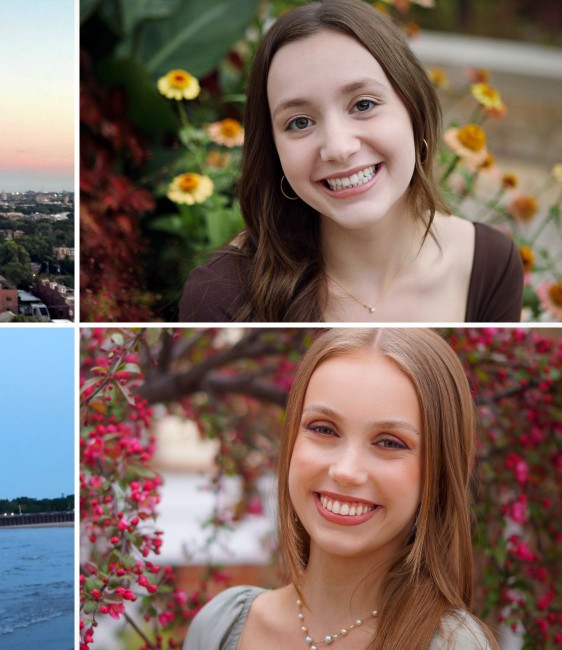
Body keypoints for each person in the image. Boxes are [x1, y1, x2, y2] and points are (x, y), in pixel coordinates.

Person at [179, 0, 522, 322]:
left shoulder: (491, 264)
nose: (338, 148)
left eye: (363, 105)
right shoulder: (220, 294)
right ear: (273, 149)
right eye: (300, 122)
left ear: (414, 110)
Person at [183, 328, 496, 650]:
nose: (346, 471)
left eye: (389, 442)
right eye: (323, 429)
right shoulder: (221, 626)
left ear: (439, 470)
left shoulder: (452, 644)